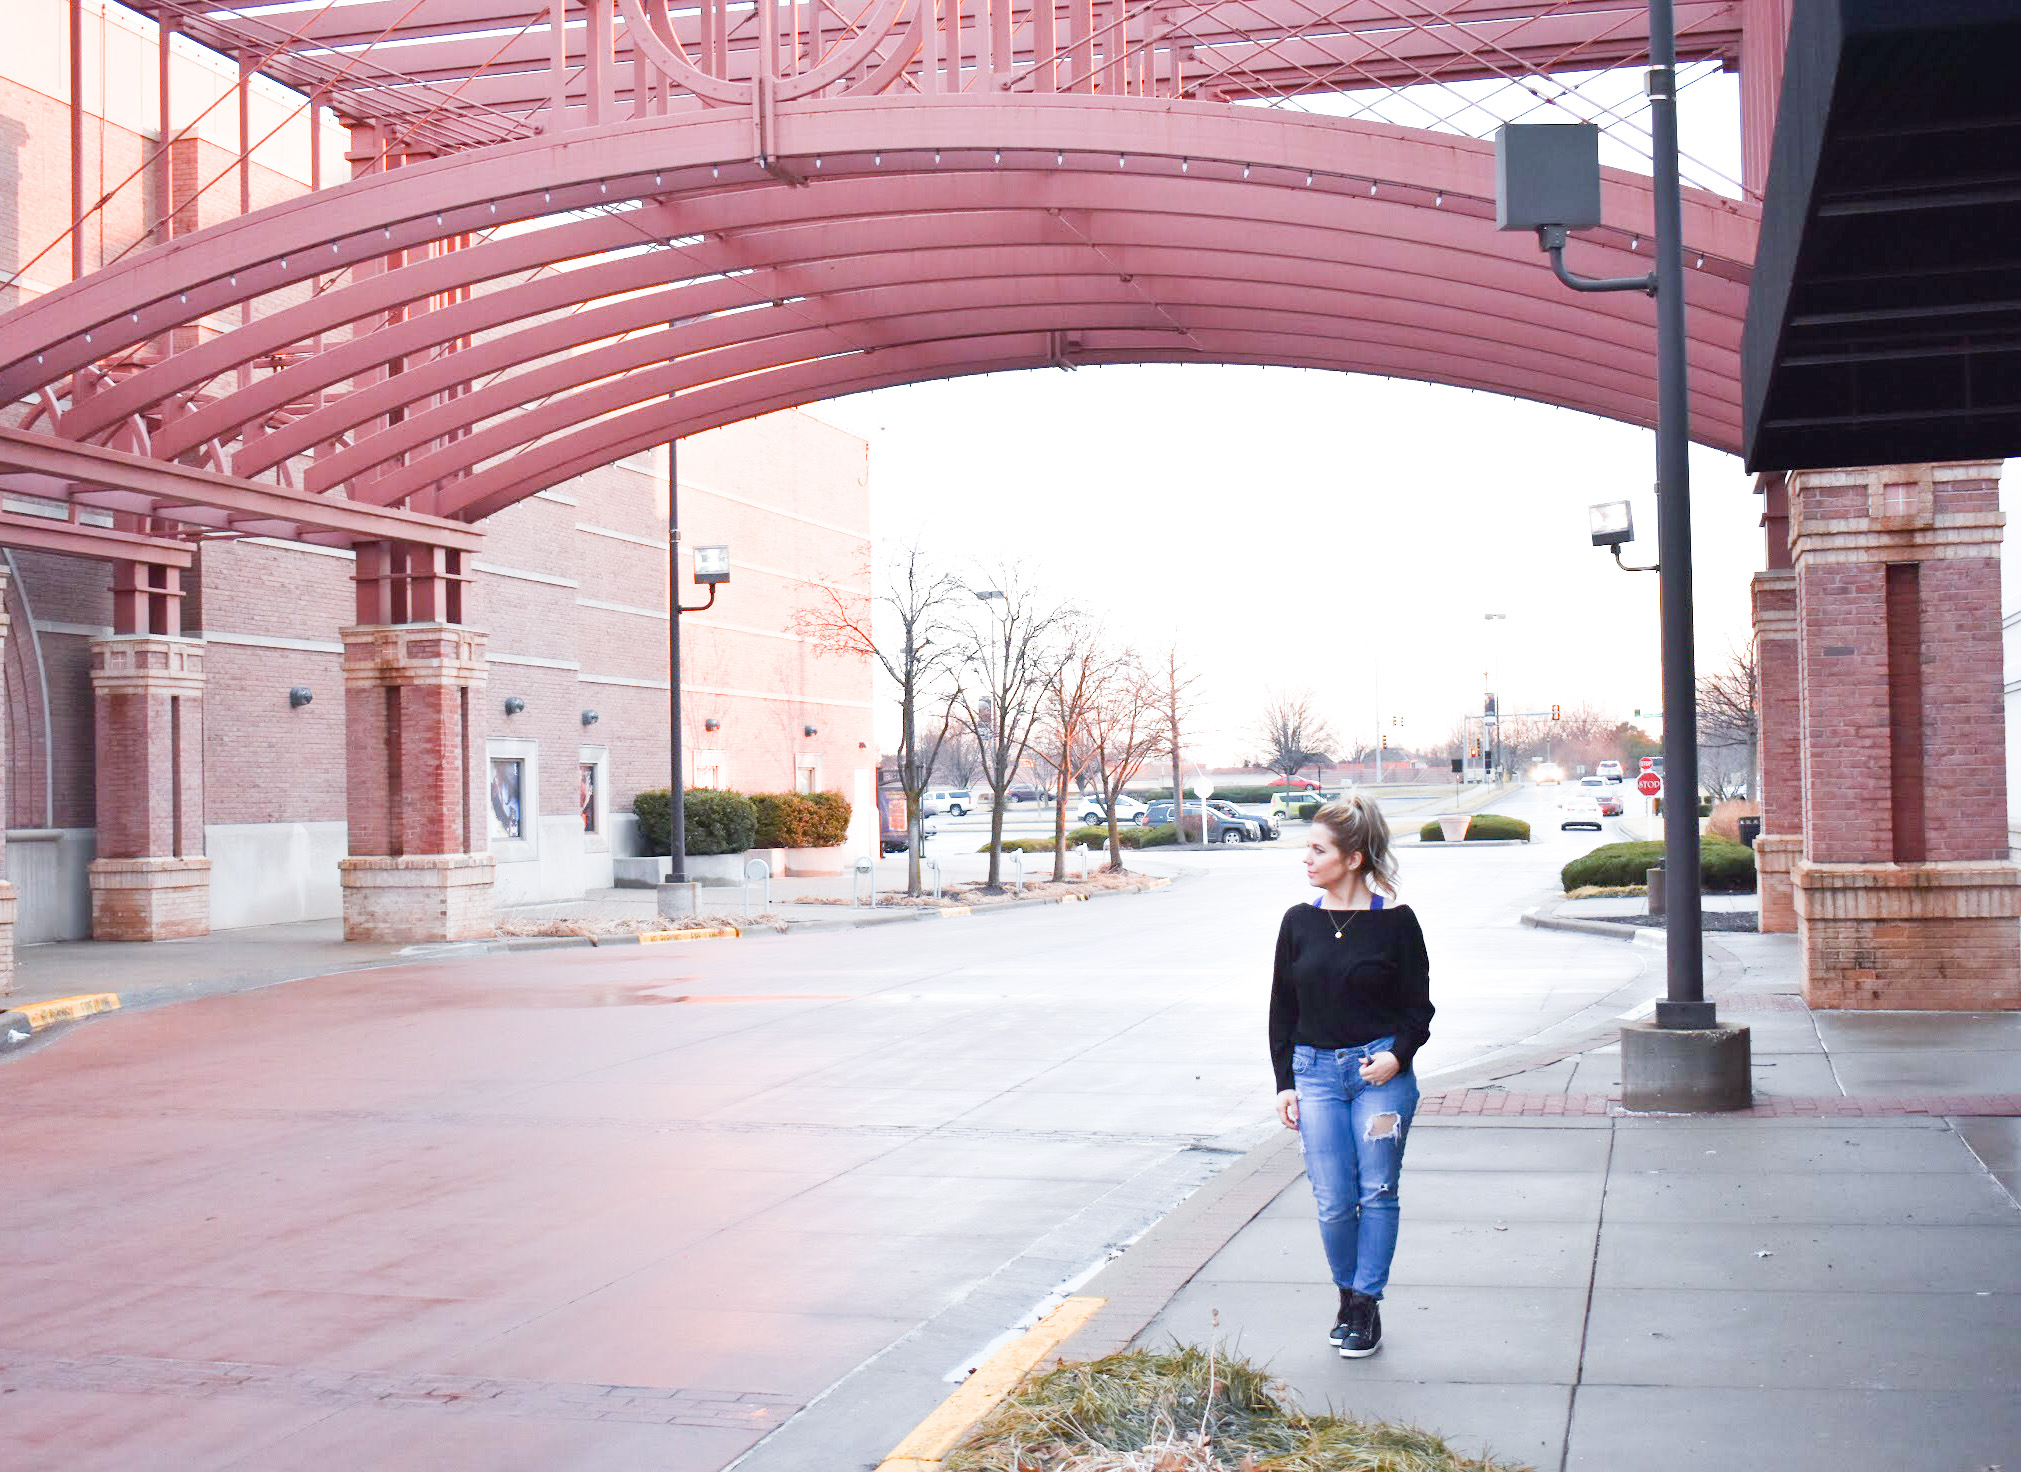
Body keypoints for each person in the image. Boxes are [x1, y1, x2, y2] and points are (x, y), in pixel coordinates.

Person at [1268, 793, 1433, 1359]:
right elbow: (1282, 1010)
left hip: (1379, 1076)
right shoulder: (1298, 922)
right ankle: (1346, 1296)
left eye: (1317, 850)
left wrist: (1399, 1055)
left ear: (1353, 857)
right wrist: (1284, 1082)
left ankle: (1365, 1306)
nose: (1306, 859)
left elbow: (1420, 1010)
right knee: (1333, 1199)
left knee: (1378, 1190)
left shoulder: (1398, 925)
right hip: (1314, 1075)